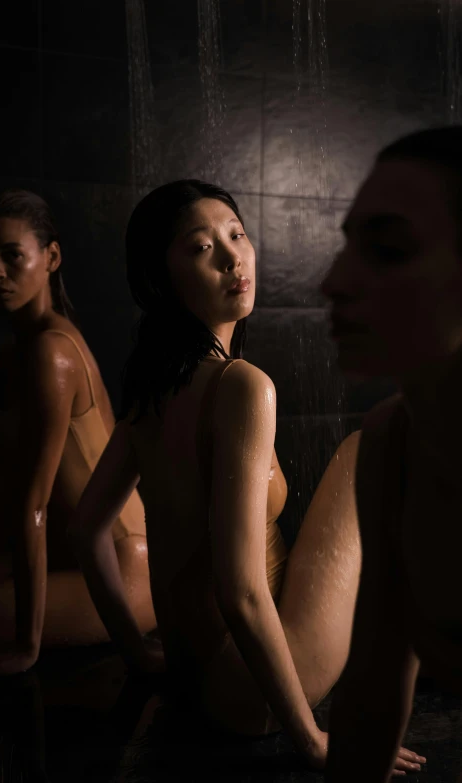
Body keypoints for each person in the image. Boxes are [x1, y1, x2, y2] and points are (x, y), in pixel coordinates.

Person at [70, 180, 423, 773]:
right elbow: (239, 591)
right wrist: (310, 740)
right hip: (252, 694)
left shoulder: (151, 394)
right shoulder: (242, 385)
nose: (234, 257)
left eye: (236, 235)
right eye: (201, 247)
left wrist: (137, 650)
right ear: (162, 278)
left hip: (193, 676)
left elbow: (87, 529)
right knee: (379, 444)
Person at [0, 189, 157, 783]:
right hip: (68, 555)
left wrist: (24, 643)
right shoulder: (20, 351)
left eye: (12, 255)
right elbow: (9, 488)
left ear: (52, 258)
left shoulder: (51, 353)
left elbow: (32, 505)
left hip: (123, 567)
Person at [322, 126, 462, 782]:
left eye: (388, 249)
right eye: (348, 244)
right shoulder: (392, 442)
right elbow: (374, 681)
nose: (333, 281)